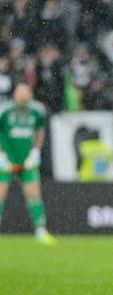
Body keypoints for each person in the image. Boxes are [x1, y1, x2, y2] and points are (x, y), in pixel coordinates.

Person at [0, 83, 56, 246]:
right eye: (20, 93)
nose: (23, 97)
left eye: (26, 93)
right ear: (14, 95)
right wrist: (1, 155)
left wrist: (35, 152)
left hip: (27, 160)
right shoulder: (4, 111)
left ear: (31, 95)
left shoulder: (37, 111)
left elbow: (40, 131)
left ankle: (41, 231)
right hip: (6, 159)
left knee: (33, 195)